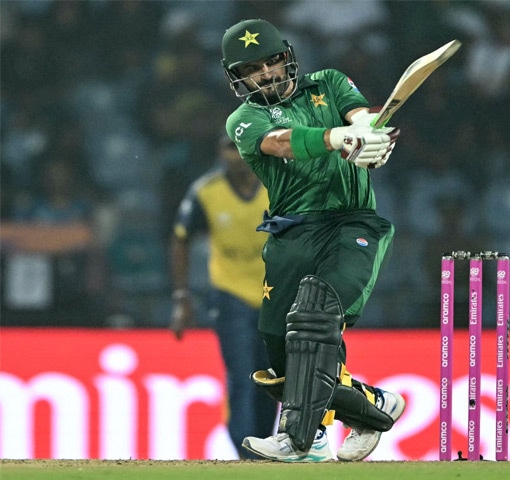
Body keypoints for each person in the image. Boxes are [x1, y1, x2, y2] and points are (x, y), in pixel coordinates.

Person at [219, 18, 405, 462]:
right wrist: (338, 137)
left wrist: (369, 134)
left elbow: (361, 115)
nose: (265, 73)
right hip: (291, 234)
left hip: (350, 224)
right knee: (280, 346)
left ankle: (297, 436)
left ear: (287, 57)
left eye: (271, 61)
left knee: (314, 315)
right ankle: (368, 408)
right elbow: (281, 143)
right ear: (237, 78)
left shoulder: (329, 82)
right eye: (252, 69)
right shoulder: (244, 119)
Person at [169, 135, 279, 459]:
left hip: (274, 296)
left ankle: (261, 447)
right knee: (241, 376)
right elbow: (180, 238)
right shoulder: (206, 191)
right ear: (220, 152)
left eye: (242, 147)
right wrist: (181, 297)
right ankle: (245, 450)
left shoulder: (277, 186)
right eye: (230, 148)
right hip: (230, 295)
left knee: (271, 380)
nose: (236, 155)